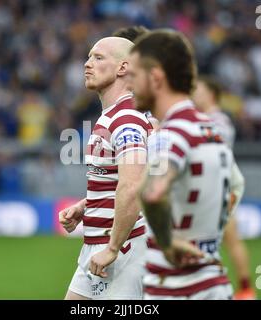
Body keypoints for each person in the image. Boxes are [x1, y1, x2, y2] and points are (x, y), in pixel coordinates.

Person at [129, 29, 241, 299]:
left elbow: (153, 193)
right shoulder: (211, 128)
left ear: (155, 77)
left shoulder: (171, 133)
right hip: (213, 283)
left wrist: (167, 243)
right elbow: (236, 186)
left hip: (177, 287)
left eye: (133, 76)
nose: (128, 85)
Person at [59, 36, 153, 300]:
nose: (87, 64)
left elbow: (132, 186)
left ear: (123, 68)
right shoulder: (112, 116)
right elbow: (119, 180)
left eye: (98, 57)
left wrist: (113, 247)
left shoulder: (126, 119)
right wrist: (86, 205)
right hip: (97, 246)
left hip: (122, 249)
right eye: (88, 57)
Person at [193, 76, 256, 300]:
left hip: (219, 191)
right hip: (214, 190)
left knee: (225, 240)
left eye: (198, 89)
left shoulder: (219, 121)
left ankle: (245, 289)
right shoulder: (207, 119)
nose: (194, 94)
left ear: (211, 93)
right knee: (220, 242)